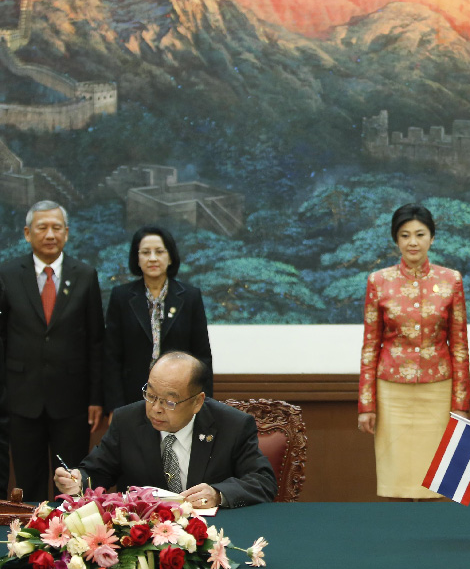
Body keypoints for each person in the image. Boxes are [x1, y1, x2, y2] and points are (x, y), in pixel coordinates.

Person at [54, 351, 276, 508]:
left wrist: (218, 494)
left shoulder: (232, 425)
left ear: (197, 402)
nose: (155, 409)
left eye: (169, 402)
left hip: (212, 535)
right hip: (144, 538)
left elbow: (263, 481)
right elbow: (95, 472)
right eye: (150, 395)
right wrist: (77, 482)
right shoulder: (127, 421)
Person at [356, 203, 470, 500]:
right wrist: (366, 405)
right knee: (398, 475)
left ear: (432, 238)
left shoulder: (451, 280)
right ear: (396, 240)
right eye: (405, 235)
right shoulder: (378, 281)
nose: (413, 242)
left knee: (441, 476)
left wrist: (461, 403)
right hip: (392, 393)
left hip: (439, 390)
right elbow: (370, 346)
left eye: (420, 234)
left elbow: (459, 346)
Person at [0, 200, 105, 502]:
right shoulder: (7, 274)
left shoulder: (85, 275)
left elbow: (96, 340)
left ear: (67, 233)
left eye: (56, 228)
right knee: (28, 483)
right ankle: (31, 545)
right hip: (22, 399)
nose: (49, 234)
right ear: (27, 233)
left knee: (71, 482)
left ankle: (71, 543)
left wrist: (96, 398)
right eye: (42, 227)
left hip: (71, 400)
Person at [104, 225, 212, 411]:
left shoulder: (189, 297)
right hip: (132, 399)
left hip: (179, 398)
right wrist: (115, 407)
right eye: (145, 252)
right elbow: (111, 357)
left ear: (170, 257)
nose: (152, 258)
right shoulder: (121, 297)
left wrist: (204, 404)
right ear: (137, 258)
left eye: (159, 251)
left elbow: (202, 356)